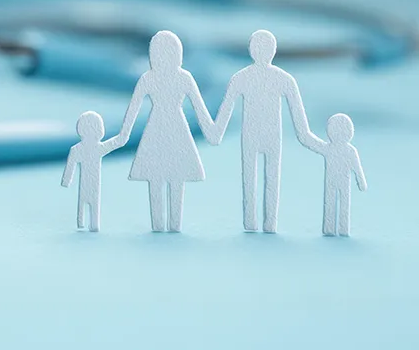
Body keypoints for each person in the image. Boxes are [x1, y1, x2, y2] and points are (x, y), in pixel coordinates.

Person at [110, 31, 216, 232]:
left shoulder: (181, 78)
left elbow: (199, 108)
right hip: (161, 128)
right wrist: (123, 134)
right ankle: (160, 224)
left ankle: (173, 223)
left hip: (170, 128)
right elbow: (133, 108)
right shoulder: (150, 78)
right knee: (158, 177)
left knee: (173, 177)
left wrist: (210, 129)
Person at [212, 30, 312, 233]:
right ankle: (264, 223)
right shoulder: (281, 79)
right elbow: (300, 121)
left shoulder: (244, 77)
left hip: (259, 135)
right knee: (268, 178)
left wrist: (216, 132)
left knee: (256, 178)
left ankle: (259, 222)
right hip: (264, 136)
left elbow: (224, 112)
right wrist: (307, 138)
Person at [301, 113, 367, 236]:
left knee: (341, 203)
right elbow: (312, 143)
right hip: (332, 182)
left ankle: (339, 229)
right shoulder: (333, 149)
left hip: (341, 183)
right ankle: (331, 228)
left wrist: (361, 181)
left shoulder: (348, 150)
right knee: (333, 203)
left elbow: (357, 168)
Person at [61, 111, 123, 232]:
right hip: (89, 184)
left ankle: (84, 223)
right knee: (88, 203)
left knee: (88, 203)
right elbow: (70, 166)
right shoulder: (86, 149)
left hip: (90, 184)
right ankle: (84, 223)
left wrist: (67, 181)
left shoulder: (82, 149)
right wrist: (66, 181)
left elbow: (117, 142)